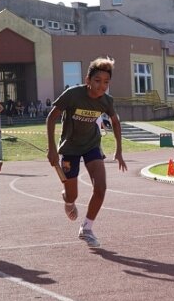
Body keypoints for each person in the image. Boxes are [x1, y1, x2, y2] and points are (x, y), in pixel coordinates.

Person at [47, 57, 128, 247]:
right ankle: (67, 199)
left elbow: (115, 122)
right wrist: (51, 149)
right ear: (88, 80)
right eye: (98, 81)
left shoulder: (107, 101)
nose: (102, 86)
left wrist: (119, 150)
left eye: (106, 82)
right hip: (70, 148)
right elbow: (51, 118)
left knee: (101, 187)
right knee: (72, 195)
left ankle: (87, 228)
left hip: (92, 145)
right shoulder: (73, 95)